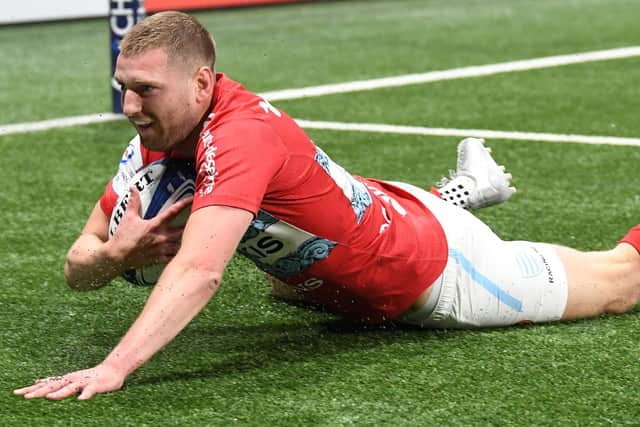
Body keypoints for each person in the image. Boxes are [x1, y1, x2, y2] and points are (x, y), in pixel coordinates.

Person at [14, 11, 640, 401]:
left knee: (621, 280)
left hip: (439, 274)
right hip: (383, 210)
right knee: (294, 278)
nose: (129, 108)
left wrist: (115, 367)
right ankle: (460, 194)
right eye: (125, 89)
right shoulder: (156, 135)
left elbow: (200, 272)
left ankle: (462, 212)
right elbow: (78, 263)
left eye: (146, 91)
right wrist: (114, 256)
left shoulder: (237, 138)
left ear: (202, 83)